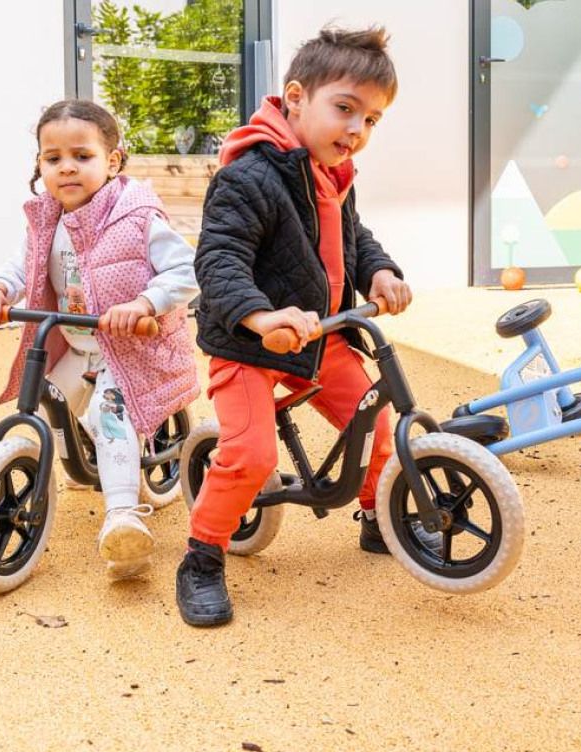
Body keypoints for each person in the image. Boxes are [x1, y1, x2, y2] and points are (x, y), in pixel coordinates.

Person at [177, 26, 435, 626]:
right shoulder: (248, 176)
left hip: (317, 340)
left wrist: (379, 272)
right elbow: (218, 259)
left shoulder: (334, 174)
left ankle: (379, 517)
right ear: (295, 97)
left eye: (371, 121)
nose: (356, 130)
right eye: (345, 109)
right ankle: (202, 557)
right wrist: (260, 316)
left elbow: (354, 239)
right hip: (248, 343)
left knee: (380, 425)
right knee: (250, 453)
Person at [0, 99, 199, 577]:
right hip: (73, 342)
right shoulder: (44, 219)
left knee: (110, 416)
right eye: (53, 159)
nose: (66, 167)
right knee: (54, 396)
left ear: (112, 162)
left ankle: (122, 515)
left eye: (82, 156)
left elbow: (186, 270)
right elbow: (20, 266)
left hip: (128, 347)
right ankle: (80, 458)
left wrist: (145, 303)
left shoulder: (137, 217)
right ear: (40, 166)